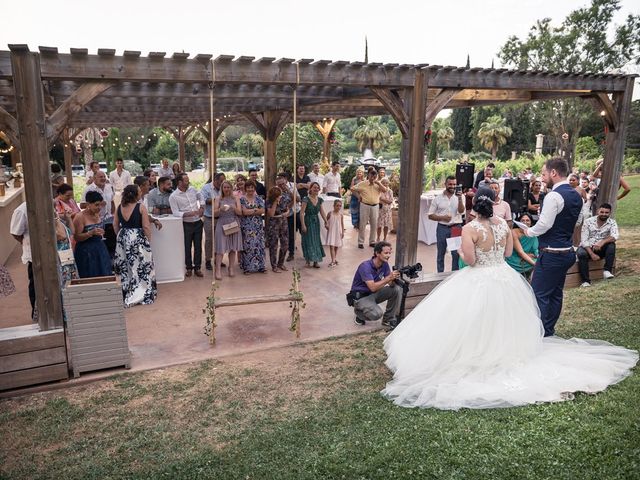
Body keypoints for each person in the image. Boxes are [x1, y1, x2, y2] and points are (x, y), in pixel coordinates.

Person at [382, 188, 638, 410]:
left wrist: (463, 249)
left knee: (470, 319)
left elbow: (469, 260)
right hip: (503, 276)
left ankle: (477, 355)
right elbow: (506, 254)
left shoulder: (471, 229)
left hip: (479, 276)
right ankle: (505, 351)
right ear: (493, 205)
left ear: (474, 209)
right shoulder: (504, 225)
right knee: (503, 318)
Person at [524, 157, 583, 337]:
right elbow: (578, 221)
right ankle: (548, 330)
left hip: (551, 254)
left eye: (543, 174)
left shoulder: (553, 196)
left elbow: (544, 225)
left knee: (539, 294)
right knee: (556, 293)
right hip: (567, 252)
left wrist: (528, 232)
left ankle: (539, 333)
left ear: (553, 173)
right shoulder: (576, 195)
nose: (542, 178)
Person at [113, 184, 157, 306]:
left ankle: (127, 291)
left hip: (123, 237)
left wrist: (121, 237)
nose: (141, 193)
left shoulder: (119, 207)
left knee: (126, 266)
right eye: (139, 191)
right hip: (138, 238)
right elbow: (146, 226)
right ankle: (141, 292)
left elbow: (115, 225)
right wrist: (148, 241)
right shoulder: (140, 207)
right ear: (135, 194)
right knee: (141, 265)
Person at [349, 241, 403, 327]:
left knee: (397, 289)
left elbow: (391, 285)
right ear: (377, 253)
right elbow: (373, 287)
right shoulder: (365, 266)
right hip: (361, 297)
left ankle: (387, 320)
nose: (388, 255)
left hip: (373, 294)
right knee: (377, 314)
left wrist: (394, 278)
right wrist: (388, 278)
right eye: (386, 253)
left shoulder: (384, 264)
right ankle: (359, 313)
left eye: (389, 253)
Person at [170, 173, 204, 278]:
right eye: (186, 180)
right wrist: (186, 214)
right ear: (179, 182)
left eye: (188, 180)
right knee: (187, 246)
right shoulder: (173, 196)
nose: (188, 182)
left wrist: (202, 207)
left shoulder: (193, 189)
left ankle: (197, 267)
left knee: (198, 246)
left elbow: (200, 196)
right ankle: (188, 268)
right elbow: (175, 212)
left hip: (198, 222)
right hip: (186, 224)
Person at [428, 175, 464, 273]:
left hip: (456, 228)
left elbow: (461, 211)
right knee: (441, 253)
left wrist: (460, 198)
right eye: (450, 184)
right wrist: (442, 218)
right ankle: (440, 275)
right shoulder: (437, 199)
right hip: (442, 228)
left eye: (454, 184)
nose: (452, 186)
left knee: (456, 254)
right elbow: (430, 215)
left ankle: (454, 276)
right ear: (445, 184)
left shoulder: (460, 196)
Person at [577, 203, 618, 287]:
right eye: (602, 212)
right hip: (588, 248)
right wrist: (592, 254)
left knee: (611, 245)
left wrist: (602, 242)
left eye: (606, 213)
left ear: (609, 213)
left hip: (601, 248)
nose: (604, 214)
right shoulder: (588, 221)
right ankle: (585, 281)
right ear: (597, 211)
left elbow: (615, 236)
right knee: (581, 253)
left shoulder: (612, 222)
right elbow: (584, 240)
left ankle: (607, 271)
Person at [73, 191, 113, 279]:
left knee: (104, 273)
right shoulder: (80, 217)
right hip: (86, 251)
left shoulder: (97, 214)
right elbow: (76, 237)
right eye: (96, 205)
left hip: (99, 248)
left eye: (101, 205)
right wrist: (90, 233)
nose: (99, 207)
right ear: (88, 204)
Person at [80, 171, 116, 257]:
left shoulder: (109, 187)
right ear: (94, 178)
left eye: (104, 176)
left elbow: (112, 201)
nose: (103, 178)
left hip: (108, 219)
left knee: (111, 244)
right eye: (100, 177)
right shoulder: (89, 189)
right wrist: (97, 204)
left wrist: (113, 212)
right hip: (95, 220)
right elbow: (82, 205)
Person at [10, 202, 36, 319]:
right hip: (33, 254)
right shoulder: (21, 210)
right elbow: (16, 233)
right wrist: (25, 243)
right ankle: (36, 313)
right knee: (35, 284)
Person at [351, 167, 388, 249]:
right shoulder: (363, 183)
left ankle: (372, 241)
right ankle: (360, 242)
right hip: (365, 205)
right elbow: (352, 188)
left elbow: (385, 190)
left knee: (374, 224)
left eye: (374, 177)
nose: (373, 178)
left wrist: (378, 183)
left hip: (375, 206)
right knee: (362, 224)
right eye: (371, 176)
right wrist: (358, 196)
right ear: (368, 175)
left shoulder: (378, 184)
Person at [213, 180, 243, 279]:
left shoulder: (236, 198)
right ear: (222, 188)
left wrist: (234, 208)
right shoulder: (218, 198)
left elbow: (240, 213)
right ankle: (217, 270)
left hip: (233, 223)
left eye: (228, 187)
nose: (226, 189)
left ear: (231, 188)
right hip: (222, 223)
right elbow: (214, 214)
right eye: (225, 187)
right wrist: (220, 209)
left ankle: (231, 268)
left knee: (233, 248)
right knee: (220, 248)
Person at [239, 180, 266, 274]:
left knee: (259, 245)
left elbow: (262, 210)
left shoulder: (258, 198)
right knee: (248, 246)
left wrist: (251, 210)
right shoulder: (242, 199)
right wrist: (255, 209)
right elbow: (244, 212)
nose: (250, 189)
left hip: (257, 226)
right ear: (245, 188)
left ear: (254, 188)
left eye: (252, 187)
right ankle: (247, 267)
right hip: (247, 226)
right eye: (248, 187)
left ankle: (261, 266)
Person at [300, 182, 328, 268]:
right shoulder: (306, 199)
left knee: (316, 240)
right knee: (308, 240)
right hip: (308, 221)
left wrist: (326, 221)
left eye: (318, 188)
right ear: (310, 189)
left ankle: (316, 260)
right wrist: (303, 225)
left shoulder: (319, 200)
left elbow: (322, 212)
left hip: (316, 222)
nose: (316, 189)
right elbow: (301, 213)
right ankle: (308, 260)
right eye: (314, 187)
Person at [201, 172, 225, 271]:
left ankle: (217, 260)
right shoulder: (206, 188)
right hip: (209, 217)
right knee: (209, 240)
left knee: (220, 239)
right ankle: (208, 260)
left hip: (221, 218)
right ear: (215, 180)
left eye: (223, 181)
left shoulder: (224, 188)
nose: (222, 183)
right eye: (220, 181)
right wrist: (217, 200)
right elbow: (204, 201)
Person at [505, 212, 538, 279]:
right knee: (538, 265)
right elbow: (520, 252)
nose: (525, 222)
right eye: (522, 220)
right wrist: (536, 264)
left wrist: (536, 255)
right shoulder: (514, 232)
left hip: (528, 256)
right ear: (519, 222)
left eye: (527, 220)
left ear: (531, 223)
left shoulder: (532, 233)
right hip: (515, 258)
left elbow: (535, 250)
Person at [266, 185, 290, 273]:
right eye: (277, 195)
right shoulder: (269, 201)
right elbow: (271, 214)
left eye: (279, 195)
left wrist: (286, 213)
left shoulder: (284, 199)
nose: (279, 196)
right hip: (273, 224)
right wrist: (275, 202)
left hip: (283, 223)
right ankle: (274, 266)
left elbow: (288, 210)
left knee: (285, 244)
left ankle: (281, 263)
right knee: (273, 245)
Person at [55, 207, 78, 289]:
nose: (56, 211)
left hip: (67, 256)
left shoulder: (59, 222)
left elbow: (72, 232)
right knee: (63, 284)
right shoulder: (52, 223)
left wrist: (68, 218)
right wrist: (56, 219)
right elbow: (62, 236)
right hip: (59, 258)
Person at [326, 198, 345, 267]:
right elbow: (326, 221)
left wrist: (342, 232)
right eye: (337, 205)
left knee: (336, 246)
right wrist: (326, 225)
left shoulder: (341, 215)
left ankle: (334, 259)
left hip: (338, 232)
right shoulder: (330, 213)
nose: (339, 207)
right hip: (332, 232)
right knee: (332, 246)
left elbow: (342, 224)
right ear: (333, 206)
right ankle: (333, 261)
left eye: (340, 206)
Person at [377, 177, 394, 242]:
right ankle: (378, 237)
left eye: (386, 183)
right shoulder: (379, 190)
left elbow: (390, 201)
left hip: (387, 211)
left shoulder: (390, 191)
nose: (385, 184)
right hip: (380, 210)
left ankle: (384, 238)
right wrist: (383, 200)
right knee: (379, 225)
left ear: (388, 184)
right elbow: (377, 200)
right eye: (383, 183)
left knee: (386, 225)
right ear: (381, 183)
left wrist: (382, 199)